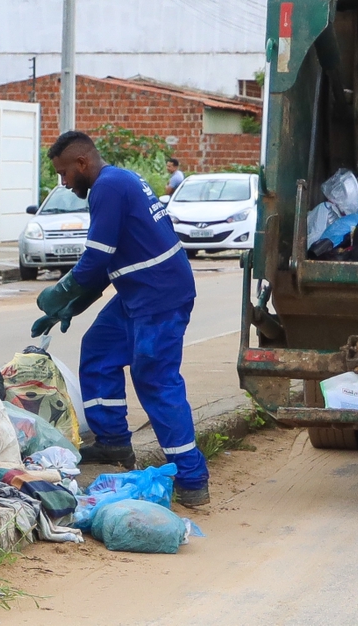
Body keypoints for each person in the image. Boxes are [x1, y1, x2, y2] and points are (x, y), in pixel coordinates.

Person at [29, 131, 210, 506]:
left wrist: (59, 293)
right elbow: (109, 259)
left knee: (155, 378)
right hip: (138, 291)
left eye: (64, 173)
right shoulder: (117, 181)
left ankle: (192, 478)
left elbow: (95, 257)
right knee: (98, 350)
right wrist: (73, 305)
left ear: (82, 164)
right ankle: (113, 442)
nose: (63, 183)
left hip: (159, 295)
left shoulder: (108, 187)